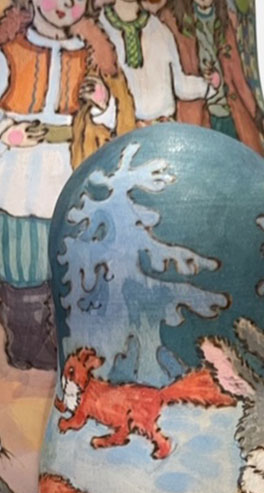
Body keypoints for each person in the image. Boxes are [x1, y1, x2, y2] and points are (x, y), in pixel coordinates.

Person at [0, 0, 134, 368]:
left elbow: (112, 121)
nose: (65, 5)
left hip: (67, 166)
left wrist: (103, 103)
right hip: (19, 171)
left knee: (65, 259)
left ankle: (60, 339)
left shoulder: (89, 55)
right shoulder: (10, 51)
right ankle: (24, 344)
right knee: (23, 263)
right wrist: (8, 133)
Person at [159, 0, 263, 152]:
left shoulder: (224, 21)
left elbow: (239, 78)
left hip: (229, 116)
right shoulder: (170, 20)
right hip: (195, 122)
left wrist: (258, 117)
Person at [97, 0, 217, 124]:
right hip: (123, 129)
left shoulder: (159, 29)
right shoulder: (98, 28)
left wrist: (209, 85)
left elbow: (180, 85)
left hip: (164, 127)